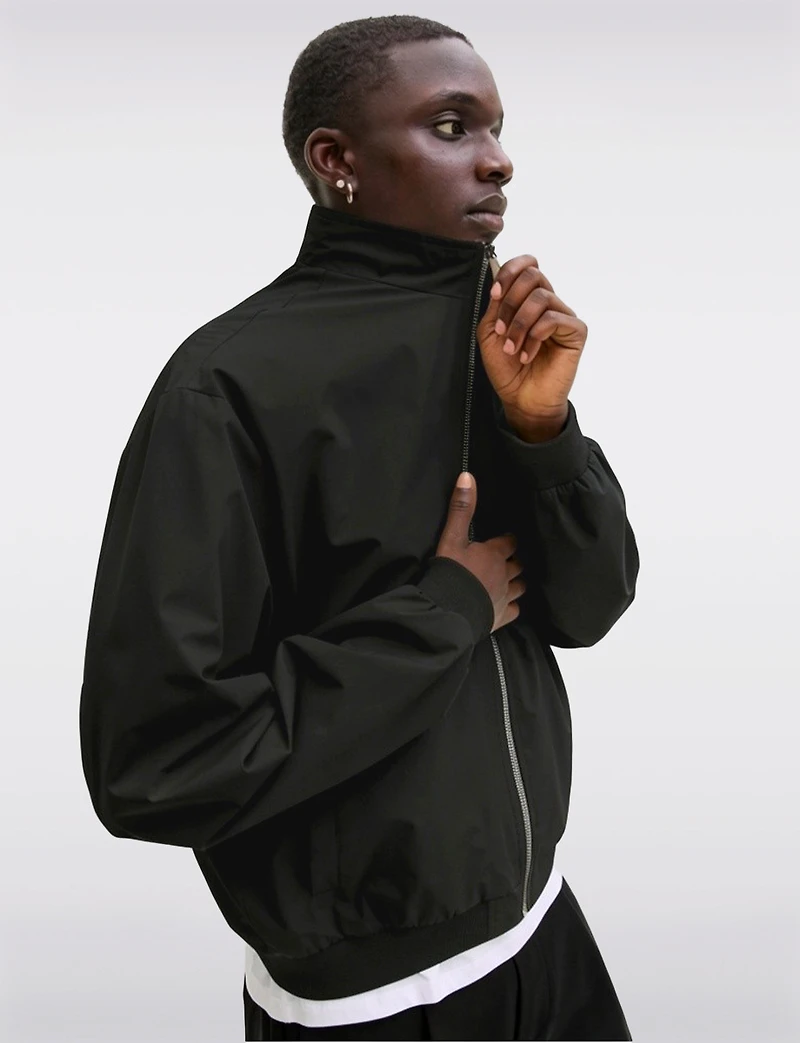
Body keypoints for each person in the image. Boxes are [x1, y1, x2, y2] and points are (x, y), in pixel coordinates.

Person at [79, 14, 639, 1042]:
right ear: (335, 159)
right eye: (451, 126)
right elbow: (155, 762)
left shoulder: (493, 337)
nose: (498, 159)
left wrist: (542, 432)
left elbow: (589, 607)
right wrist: (443, 612)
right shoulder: (227, 386)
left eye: (496, 127)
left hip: (542, 923)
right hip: (372, 1001)